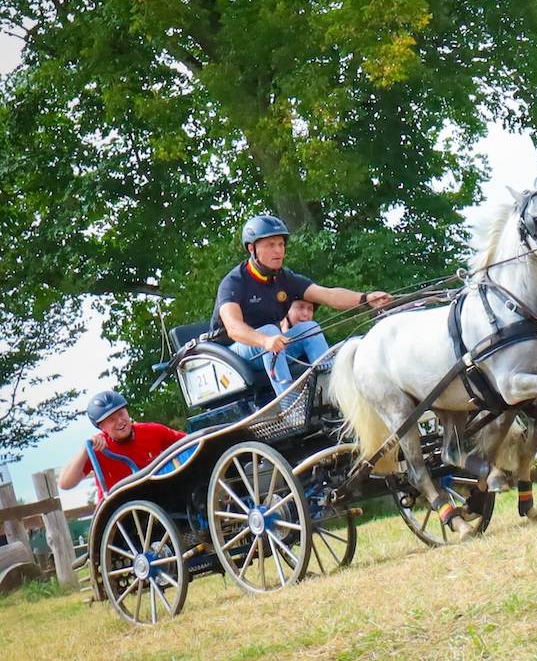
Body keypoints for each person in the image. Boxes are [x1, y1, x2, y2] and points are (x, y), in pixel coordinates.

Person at [212, 215, 391, 396]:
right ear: (252, 248)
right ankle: (290, 405)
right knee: (269, 331)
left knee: (309, 328)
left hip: (273, 344)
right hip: (236, 353)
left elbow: (328, 295)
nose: (278, 251)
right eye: (271, 245)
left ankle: (333, 395)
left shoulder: (284, 278)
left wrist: (366, 299)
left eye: (281, 244)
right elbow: (234, 328)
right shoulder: (234, 282)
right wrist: (264, 340)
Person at [58, 391, 187, 502]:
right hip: (121, 509)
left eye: (121, 414)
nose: (120, 421)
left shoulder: (153, 431)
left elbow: (188, 443)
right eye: (111, 419)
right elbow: (65, 483)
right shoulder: (97, 448)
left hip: (158, 498)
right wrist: (86, 450)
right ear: (101, 427)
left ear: (127, 411)